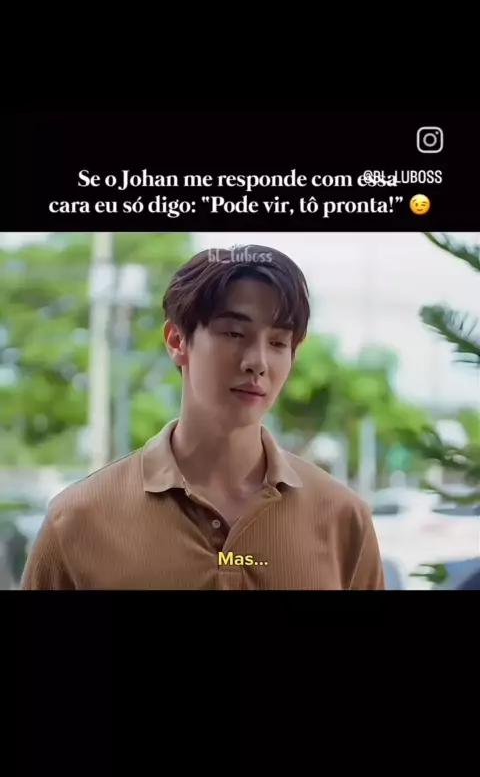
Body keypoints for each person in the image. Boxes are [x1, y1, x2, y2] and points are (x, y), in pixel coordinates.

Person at [20, 244, 385, 590]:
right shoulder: (77, 521)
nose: (257, 362)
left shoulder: (343, 518)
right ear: (177, 340)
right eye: (235, 333)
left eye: (277, 343)